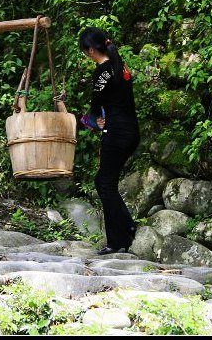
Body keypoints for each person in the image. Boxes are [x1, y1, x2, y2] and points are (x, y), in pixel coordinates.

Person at [78, 27, 140, 255]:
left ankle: (122, 234)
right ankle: (121, 236)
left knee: (104, 184)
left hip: (117, 133)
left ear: (92, 50)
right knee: (106, 183)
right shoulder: (120, 66)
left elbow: (94, 112)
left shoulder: (102, 72)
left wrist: (81, 119)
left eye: (86, 52)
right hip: (130, 131)